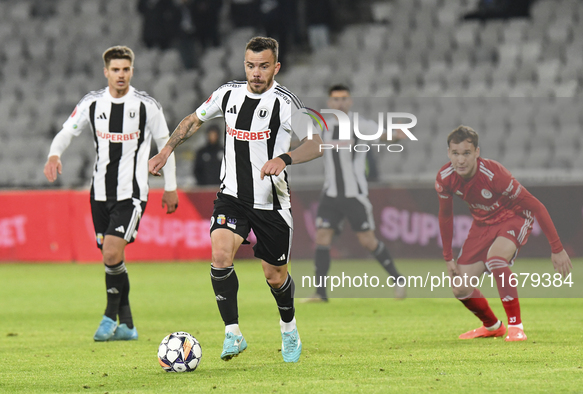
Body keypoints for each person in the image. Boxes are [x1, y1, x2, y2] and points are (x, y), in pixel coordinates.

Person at [148, 37, 323, 363]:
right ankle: (233, 332)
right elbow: (193, 120)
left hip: (271, 203)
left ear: (276, 67)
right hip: (232, 197)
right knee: (220, 255)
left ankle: (288, 328)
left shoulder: (287, 103)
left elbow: (315, 144)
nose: (256, 73)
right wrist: (166, 149)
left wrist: (284, 158)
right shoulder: (227, 93)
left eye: (263, 66)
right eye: (250, 65)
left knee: (275, 275)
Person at [43, 46, 179, 342]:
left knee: (112, 252)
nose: (121, 74)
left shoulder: (146, 106)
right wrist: (55, 154)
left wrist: (170, 187)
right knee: (112, 259)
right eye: (115, 69)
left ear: (132, 71)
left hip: (131, 193)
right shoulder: (93, 103)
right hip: (99, 194)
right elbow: (67, 131)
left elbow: (165, 144)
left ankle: (108, 317)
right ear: (106, 72)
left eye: (126, 69)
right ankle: (127, 324)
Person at [435, 126, 572, 341]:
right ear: (448, 153)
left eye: (466, 153)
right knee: (460, 288)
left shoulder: (494, 174)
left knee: (496, 259)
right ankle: (492, 326)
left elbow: (536, 206)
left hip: (514, 217)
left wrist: (557, 248)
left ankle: (516, 327)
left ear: (477, 153)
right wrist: (447, 256)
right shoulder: (445, 178)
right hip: (483, 224)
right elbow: (445, 216)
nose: (460, 160)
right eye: (455, 153)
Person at [304, 84, 405, 302]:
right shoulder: (322, 126)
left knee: (368, 241)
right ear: (330, 104)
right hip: (330, 194)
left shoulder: (361, 125)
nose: (340, 103)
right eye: (335, 99)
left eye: (343, 99)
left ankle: (398, 279)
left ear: (350, 102)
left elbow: (385, 136)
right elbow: (306, 144)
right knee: (322, 237)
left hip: (354, 195)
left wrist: (396, 135)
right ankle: (320, 293)